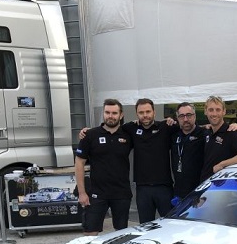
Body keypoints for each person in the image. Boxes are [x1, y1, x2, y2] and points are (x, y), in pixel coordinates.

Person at [74, 98, 133, 235]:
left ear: (121, 115)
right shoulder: (90, 135)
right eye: (107, 112)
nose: (110, 116)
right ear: (103, 113)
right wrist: (82, 193)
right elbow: (79, 163)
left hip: (121, 193)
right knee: (90, 234)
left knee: (121, 234)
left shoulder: (128, 134)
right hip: (96, 193)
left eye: (114, 113)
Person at [122, 98, 175, 223]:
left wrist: (211, 126)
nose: (145, 115)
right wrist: (87, 131)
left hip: (164, 187)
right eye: (141, 112)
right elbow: (110, 130)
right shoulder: (131, 128)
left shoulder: (166, 126)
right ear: (137, 114)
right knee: (146, 226)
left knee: (169, 224)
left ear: (154, 112)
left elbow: (189, 128)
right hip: (142, 188)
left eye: (148, 111)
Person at [200, 96, 237, 181]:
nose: (214, 114)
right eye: (211, 110)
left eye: (218, 110)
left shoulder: (232, 132)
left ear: (224, 111)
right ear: (206, 112)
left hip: (222, 188)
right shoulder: (206, 132)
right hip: (205, 186)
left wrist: (222, 164)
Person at [171, 102, 210, 198]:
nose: (185, 119)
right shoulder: (174, 135)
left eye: (189, 115)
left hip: (200, 192)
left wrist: (235, 126)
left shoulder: (205, 134)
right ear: (177, 118)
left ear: (195, 116)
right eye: (181, 116)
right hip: (178, 192)